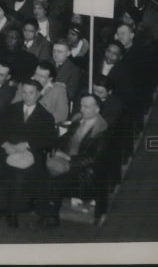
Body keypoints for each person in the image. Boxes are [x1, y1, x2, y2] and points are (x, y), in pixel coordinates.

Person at [0, 79, 57, 228]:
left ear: (38, 95)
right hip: (7, 148)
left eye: (31, 93)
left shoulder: (46, 116)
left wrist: (28, 144)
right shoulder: (10, 109)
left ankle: (13, 211)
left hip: (30, 152)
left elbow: (49, 141)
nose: (27, 96)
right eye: (24, 92)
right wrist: (6, 145)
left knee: (20, 173)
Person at [42, 93, 110, 227]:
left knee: (54, 180)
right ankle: (47, 214)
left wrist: (68, 159)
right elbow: (65, 140)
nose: (82, 109)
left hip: (84, 172)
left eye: (87, 107)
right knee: (43, 174)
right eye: (81, 106)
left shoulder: (102, 131)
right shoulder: (78, 122)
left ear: (97, 109)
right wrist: (55, 146)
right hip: (68, 164)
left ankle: (50, 217)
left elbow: (93, 159)